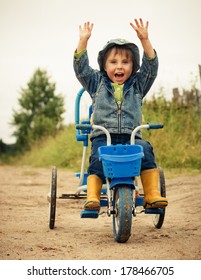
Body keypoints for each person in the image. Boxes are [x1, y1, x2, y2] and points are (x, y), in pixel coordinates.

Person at [73, 18, 168, 211]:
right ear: (104, 66)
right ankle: (92, 197)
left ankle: (151, 195)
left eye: (126, 62)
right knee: (97, 160)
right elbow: (81, 69)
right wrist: (83, 41)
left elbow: (152, 68)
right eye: (113, 62)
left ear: (133, 67)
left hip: (131, 136)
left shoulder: (138, 85)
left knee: (146, 152)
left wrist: (145, 40)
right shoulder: (96, 82)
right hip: (103, 136)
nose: (119, 66)